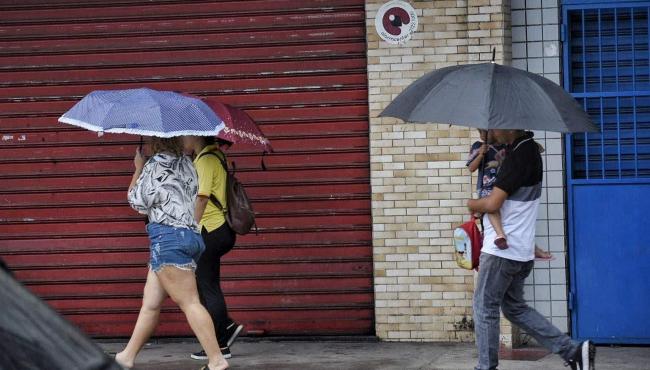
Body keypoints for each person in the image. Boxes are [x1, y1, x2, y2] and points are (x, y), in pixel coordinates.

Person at [467, 129, 595, 370]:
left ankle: (486, 367)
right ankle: (572, 350)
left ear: (509, 124)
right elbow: (518, 208)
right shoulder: (528, 151)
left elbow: (493, 203)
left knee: (484, 307)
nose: (491, 131)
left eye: (495, 126)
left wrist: (471, 204)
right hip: (518, 249)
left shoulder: (518, 156)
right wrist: (529, 245)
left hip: (501, 254)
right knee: (514, 308)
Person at [115, 137, 229, 370]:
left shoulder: (156, 164)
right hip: (188, 237)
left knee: (190, 302)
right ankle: (126, 357)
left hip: (168, 239)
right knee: (151, 304)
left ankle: (217, 361)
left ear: (156, 142)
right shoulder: (189, 163)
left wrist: (138, 168)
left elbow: (136, 202)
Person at [183, 136, 244, 361]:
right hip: (220, 230)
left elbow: (202, 197)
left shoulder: (206, 159)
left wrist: (191, 228)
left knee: (206, 287)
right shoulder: (215, 154)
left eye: (184, 136)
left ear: (195, 135)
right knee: (206, 285)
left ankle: (222, 338)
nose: (181, 140)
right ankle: (223, 334)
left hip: (210, 229)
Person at [467, 130, 554, 260]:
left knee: (504, 213)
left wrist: (530, 144)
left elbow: (539, 149)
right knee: (492, 210)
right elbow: (471, 168)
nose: (481, 135)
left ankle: (512, 239)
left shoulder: (507, 145)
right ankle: (499, 235)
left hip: (503, 186)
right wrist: (480, 154)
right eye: (479, 132)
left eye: (484, 132)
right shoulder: (477, 146)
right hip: (487, 186)